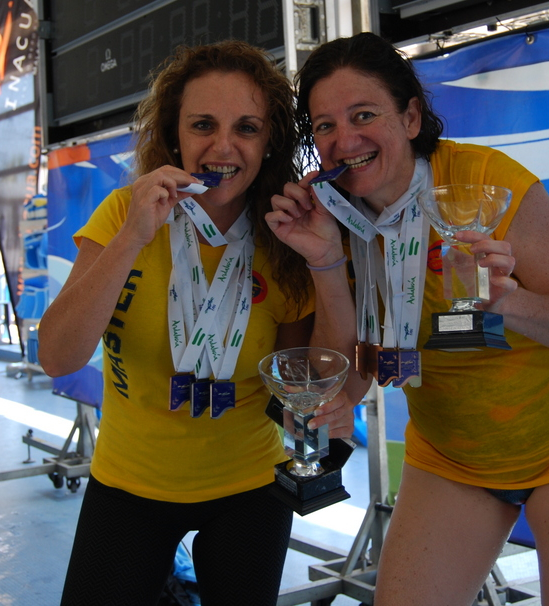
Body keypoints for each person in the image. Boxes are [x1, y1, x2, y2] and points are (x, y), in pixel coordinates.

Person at [267, 32, 549, 606]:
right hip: (451, 457)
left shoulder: (486, 184)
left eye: (364, 114)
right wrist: (324, 261)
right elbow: (353, 379)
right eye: (324, 125)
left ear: (411, 117)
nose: (344, 140)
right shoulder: (330, 214)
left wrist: (508, 301)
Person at [36, 41, 356, 606]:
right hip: (129, 482)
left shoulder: (285, 236)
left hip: (249, 486)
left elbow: (300, 392)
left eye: (246, 128)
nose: (223, 147)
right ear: (174, 134)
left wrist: (326, 261)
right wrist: (133, 237)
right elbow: (57, 357)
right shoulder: (125, 213)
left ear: (270, 141)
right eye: (203, 125)